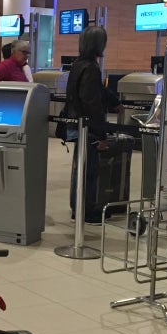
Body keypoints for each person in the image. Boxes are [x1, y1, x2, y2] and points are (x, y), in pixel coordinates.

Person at [63, 26, 111, 224]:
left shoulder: (78, 64)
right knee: (88, 171)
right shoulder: (90, 67)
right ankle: (86, 211)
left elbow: (97, 92)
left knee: (80, 168)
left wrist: (115, 101)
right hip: (87, 127)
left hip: (76, 123)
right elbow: (92, 102)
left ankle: (78, 208)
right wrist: (101, 134)